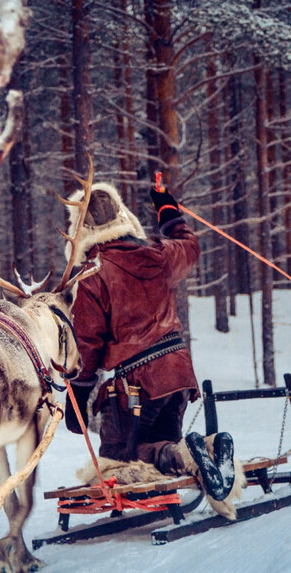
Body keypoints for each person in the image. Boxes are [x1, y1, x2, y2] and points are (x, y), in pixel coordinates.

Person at [63, 181, 235, 501]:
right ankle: (207, 449)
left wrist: (78, 393)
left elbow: (87, 344)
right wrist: (166, 207)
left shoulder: (91, 274)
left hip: (138, 384)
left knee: (118, 456)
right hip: (179, 374)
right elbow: (190, 246)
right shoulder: (158, 253)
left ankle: (190, 454)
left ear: (82, 227)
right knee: (161, 448)